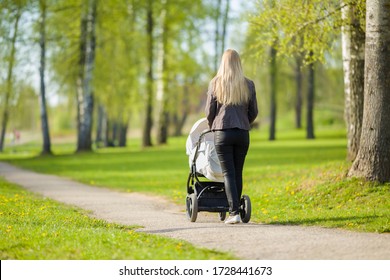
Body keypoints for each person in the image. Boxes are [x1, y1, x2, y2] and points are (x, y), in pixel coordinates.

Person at [205, 49, 258, 224]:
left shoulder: (215, 83)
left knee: (228, 173)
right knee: (238, 172)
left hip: (223, 133)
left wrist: (214, 126)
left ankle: (234, 212)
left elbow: (209, 112)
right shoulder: (248, 84)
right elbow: (254, 112)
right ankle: (236, 210)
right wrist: (244, 122)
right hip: (242, 133)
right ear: (238, 63)